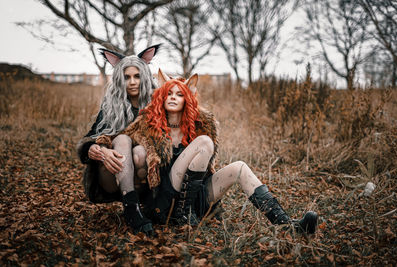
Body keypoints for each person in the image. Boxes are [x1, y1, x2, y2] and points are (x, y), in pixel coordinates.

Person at [96, 69, 318, 235]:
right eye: (169, 93)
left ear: (188, 98)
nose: (173, 97)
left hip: (198, 199)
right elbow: (118, 139)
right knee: (203, 142)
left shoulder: (201, 124)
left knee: (239, 167)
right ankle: (179, 215)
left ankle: (288, 225)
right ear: (162, 97)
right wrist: (97, 148)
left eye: (179, 94)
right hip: (165, 198)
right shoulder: (148, 123)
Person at [77, 45, 160, 236]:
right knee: (122, 139)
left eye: (137, 76)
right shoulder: (111, 106)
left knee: (140, 153)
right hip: (112, 175)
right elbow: (89, 138)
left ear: (145, 76)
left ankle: (150, 206)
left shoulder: (157, 103)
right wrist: (95, 149)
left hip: (147, 174)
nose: (132, 82)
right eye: (126, 77)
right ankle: (131, 209)